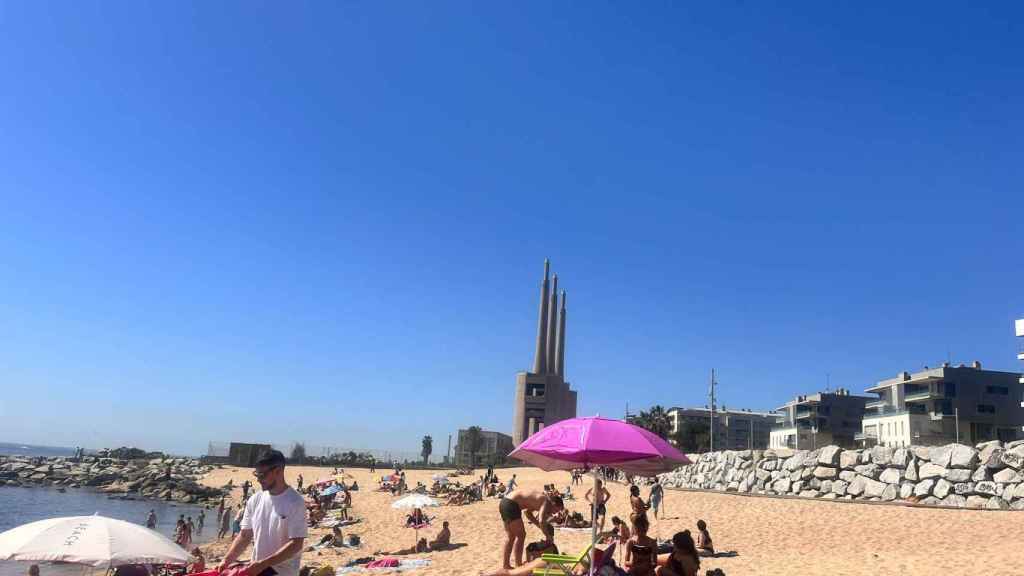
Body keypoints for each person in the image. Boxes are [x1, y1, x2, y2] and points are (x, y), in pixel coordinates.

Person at [218, 450, 307, 576]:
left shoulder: (295, 502)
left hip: (282, 571)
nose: (259, 479)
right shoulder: (255, 499)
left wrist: (263, 564)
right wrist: (226, 560)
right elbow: (245, 535)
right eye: (257, 475)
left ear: (278, 471)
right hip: (258, 568)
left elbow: (296, 544)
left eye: (262, 475)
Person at [499, 489, 564, 569]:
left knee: (511, 537)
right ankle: (518, 565)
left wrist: (539, 526)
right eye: (556, 510)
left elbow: (528, 513)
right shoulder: (546, 502)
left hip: (505, 502)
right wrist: (547, 535)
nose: (554, 513)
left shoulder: (540, 500)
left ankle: (506, 565)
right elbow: (541, 520)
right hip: (512, 504)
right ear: (553, 504)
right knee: (521, 535)